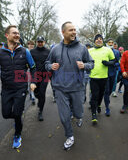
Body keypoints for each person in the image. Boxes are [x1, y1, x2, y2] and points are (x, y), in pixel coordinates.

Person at [46, 21, 94, 150]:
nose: (74, 32)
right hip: (60, 87)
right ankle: (69, 136)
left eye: (75, 30)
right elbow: (47, 63)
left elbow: (91, 63)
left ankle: (78, 116)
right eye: (71, 30)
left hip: (77, 87)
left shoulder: (82, 48)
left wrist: (85, 66)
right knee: (64, 116)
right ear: (63, 32)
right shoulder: (55, 49)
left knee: (78, 112)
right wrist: (51, 66)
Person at [0, 25, 36, 149]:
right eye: (14, 33)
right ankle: (18, 117)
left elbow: (33, 68)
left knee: (16, 113)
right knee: (6, 114)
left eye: (18, 33)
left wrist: (33, 82)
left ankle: (17, 134)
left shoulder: (25, 51)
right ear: (7, 35)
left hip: (20, 87)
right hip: (6, 88)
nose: (17, 35)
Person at [89, 34, 115, 122]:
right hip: (93, 77)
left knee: (100, 95)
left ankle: (99, 105)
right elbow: (85, 61)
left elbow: (114, 61)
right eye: (97, 39)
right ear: (94, 41)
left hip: (104, 77)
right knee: (94, 96)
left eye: (100, 39)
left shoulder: (108, 50)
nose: (99, 40)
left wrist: (108, 63)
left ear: (102, 41)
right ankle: (93, 114)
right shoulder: (90, 51)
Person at [30, 36, 50, 121]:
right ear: (36, 42)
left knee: (42, 93)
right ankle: (39, 99)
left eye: (42, 42)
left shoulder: (48, 51)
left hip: (45, 75)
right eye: (39, 42)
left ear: (44, 42)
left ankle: (40, 111)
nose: (40, 43)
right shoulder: (32, 52)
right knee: (36, 92)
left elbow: (51, 62)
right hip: (35, 75)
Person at [103, 38, 120, 116]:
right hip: (104, 73)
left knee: (110, 90)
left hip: (112, 73)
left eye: (112, 42)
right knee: (106, 91)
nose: (110, 44)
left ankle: (107, 99)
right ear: (107, 43)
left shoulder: (116, 52)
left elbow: (118, 63)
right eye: (109, 42)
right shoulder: (103, 50)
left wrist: (112, 64)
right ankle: (107, 108)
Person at [27, 40, 36, 105]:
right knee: (29, 83)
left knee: (32, 83)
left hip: (34, 70)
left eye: (32, 45)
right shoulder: (25, 51)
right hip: (27, 69)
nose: (31, 46)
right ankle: (31, 95)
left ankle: (32, 95)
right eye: (30, 45)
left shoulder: (35, 51)